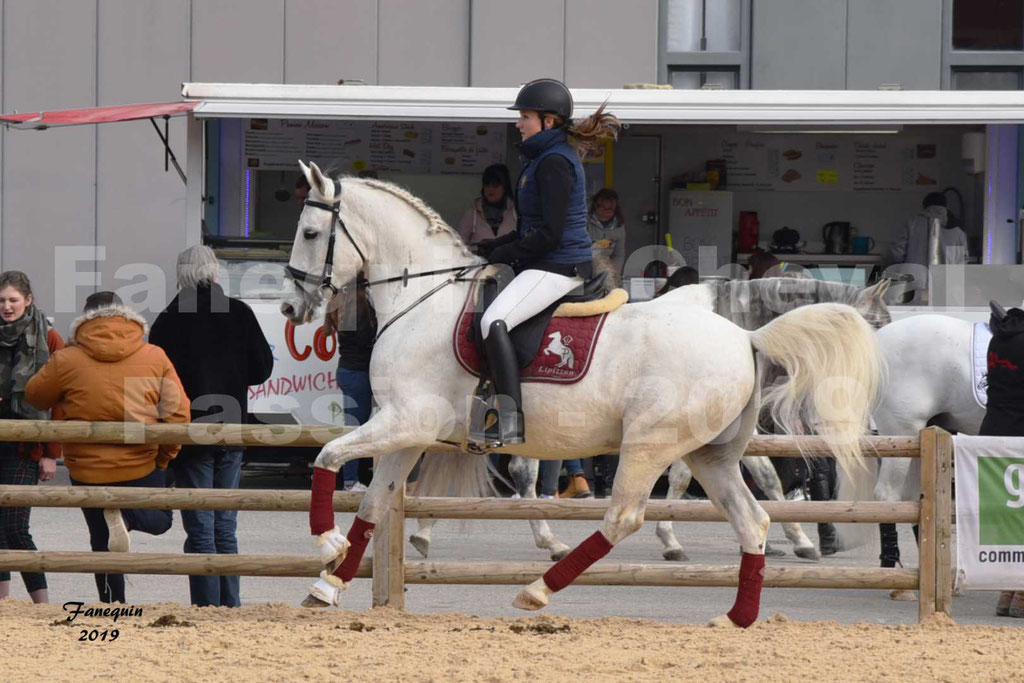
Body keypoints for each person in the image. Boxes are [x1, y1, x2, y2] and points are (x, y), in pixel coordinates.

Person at [474, 78, 620, 446]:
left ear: (548, 122)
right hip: (544, 262)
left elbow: (550, 235)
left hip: (559, 266)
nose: (519, 124)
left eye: (525, 117)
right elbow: (529, 229)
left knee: (494, 322)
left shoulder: (554, 161)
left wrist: (508, 252)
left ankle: (508, 418)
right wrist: (491, 246)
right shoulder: (539, 159)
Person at [26, 291, 190, 604]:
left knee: (101, 540)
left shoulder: (68, 358)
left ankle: (112, 604)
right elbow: (178, 413)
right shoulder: (153, 355)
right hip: (140, 464)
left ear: (84, 320)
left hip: (87, 469)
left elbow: (35, 396)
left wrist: (66, 390)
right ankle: (130, 519)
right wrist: (164, 458)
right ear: (125, 316)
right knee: (161, 520)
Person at [149, 245, 273, 607]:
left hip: (190, 434)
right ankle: (230, 606)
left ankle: (206, 608)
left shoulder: (169, 319)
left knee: (200, 528)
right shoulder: (240, 312)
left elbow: (157, 381)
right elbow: (262, 369)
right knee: (225, 527)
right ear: (214, 272)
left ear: (181, 275)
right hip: (232, 431)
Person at [0, 271, 62, 604]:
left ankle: (41, 603)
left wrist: (52, 452)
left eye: (13, 300)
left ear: (28, 300)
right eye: (1, 301)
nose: (7, 307)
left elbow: (59, 401)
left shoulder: (49, 339)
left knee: (15, 525)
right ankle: (3, 602)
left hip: (28, 442)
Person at [980, 301, 1024, 618]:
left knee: (1009, 520)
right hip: (1021, 433)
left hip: (993, 434)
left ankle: (1007, 593)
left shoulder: (999, 338)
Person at [323, 280, 377, 492]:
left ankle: (352, 478)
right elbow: (369, 340)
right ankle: (349, 480)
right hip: (358, 374)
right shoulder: (358, 306)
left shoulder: (339, 301)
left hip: (348, 371)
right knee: (354, 429)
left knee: (354, 425)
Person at [890, 192, 968, 268]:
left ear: (924, 206)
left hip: (915, 277)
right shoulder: (956, 231)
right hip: (944, 279)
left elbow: (897, 253)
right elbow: (960, 263)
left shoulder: (912, 224)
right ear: (946, 207)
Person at [457, 164, 517, 246]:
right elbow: (459, 244)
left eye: (495, 185)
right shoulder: (473, 212)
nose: (490, 189)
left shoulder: (516, 211)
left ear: (504, 187)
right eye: (487, 184)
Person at [587, 188, 627, 288]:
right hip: (586, 264)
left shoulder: (619, 226)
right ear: (596, 206)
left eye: (611, 209)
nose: (607, 212)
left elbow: (619, 254)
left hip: (607, 266)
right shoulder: (585, 221)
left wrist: (615, 274)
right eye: (604, 208)